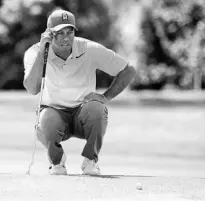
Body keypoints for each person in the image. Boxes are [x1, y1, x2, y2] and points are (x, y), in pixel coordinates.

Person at [23, 9, 136, 175]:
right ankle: (57, 161)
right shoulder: (35, 52)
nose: (66, 38)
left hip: (83, 113)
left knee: (98, 109)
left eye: (70, 32)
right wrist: (42, 52)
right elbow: (32, 88)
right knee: (46, 119)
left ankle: (90, 161)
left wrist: (106, 96)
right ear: (48, 34)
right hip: (54, 114)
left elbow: (128, 70)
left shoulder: (89, 49)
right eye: (59, 33)